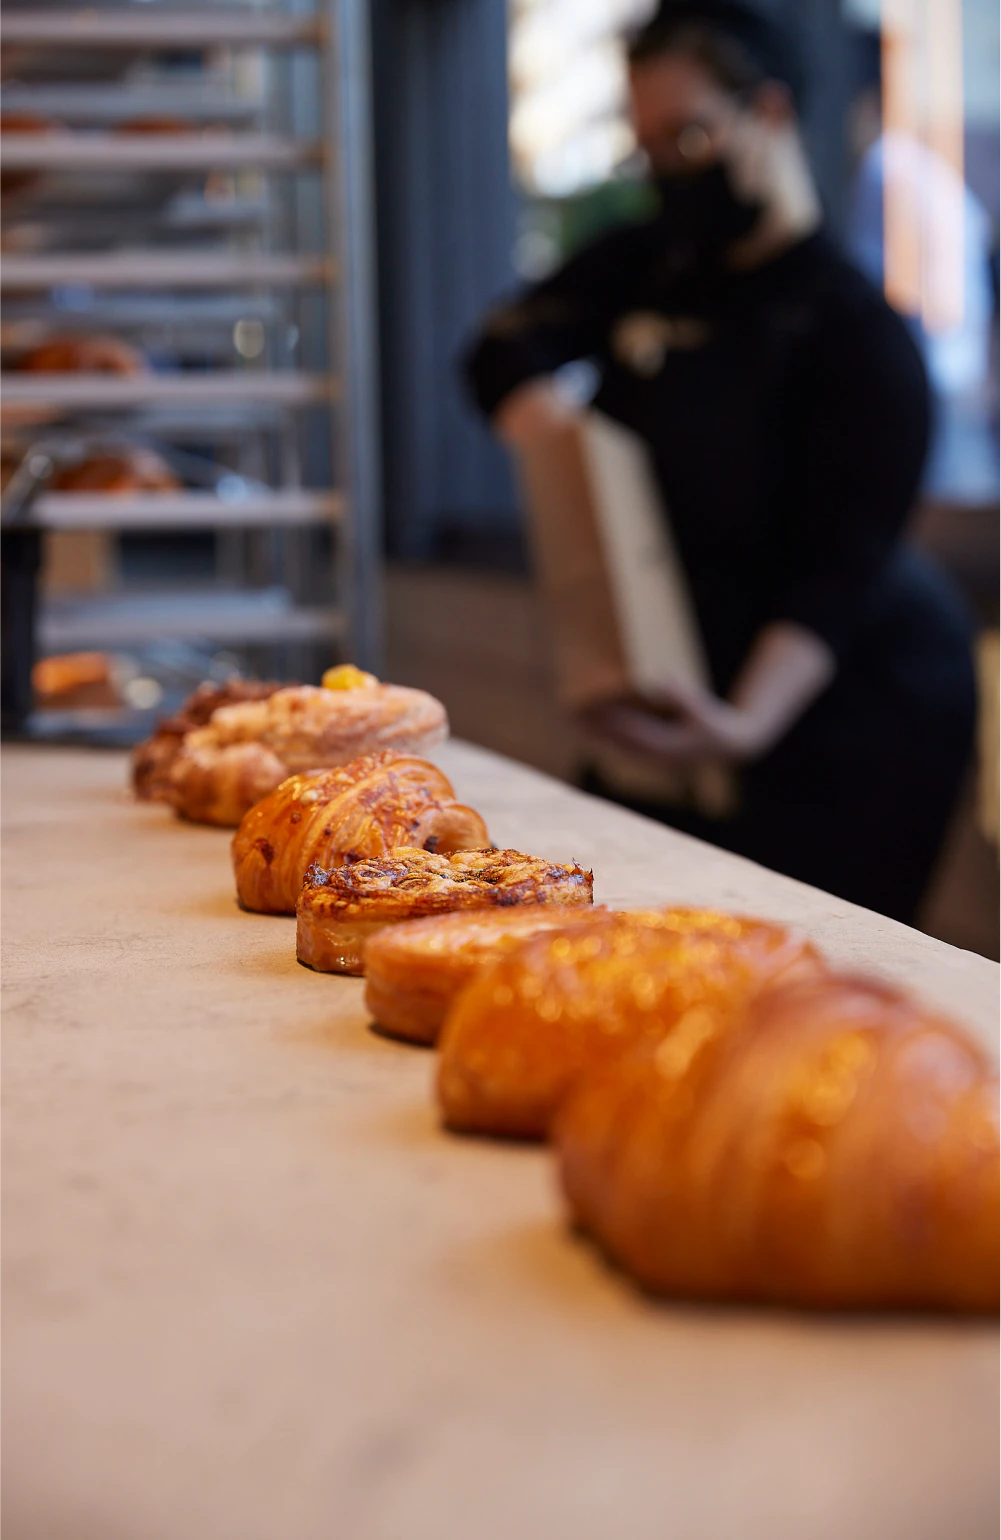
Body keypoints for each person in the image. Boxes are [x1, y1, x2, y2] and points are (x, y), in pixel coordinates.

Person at [463, 0, 976, 925]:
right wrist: (550, 430)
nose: (670, 170)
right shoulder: (650, 267)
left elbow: (837, 570)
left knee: (797, 977)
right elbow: (501, 350)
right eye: (648, 146)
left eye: (690, 136)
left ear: (768, 112)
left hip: (850, 709)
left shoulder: (855, 333)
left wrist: (742, 725)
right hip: (675, 684)